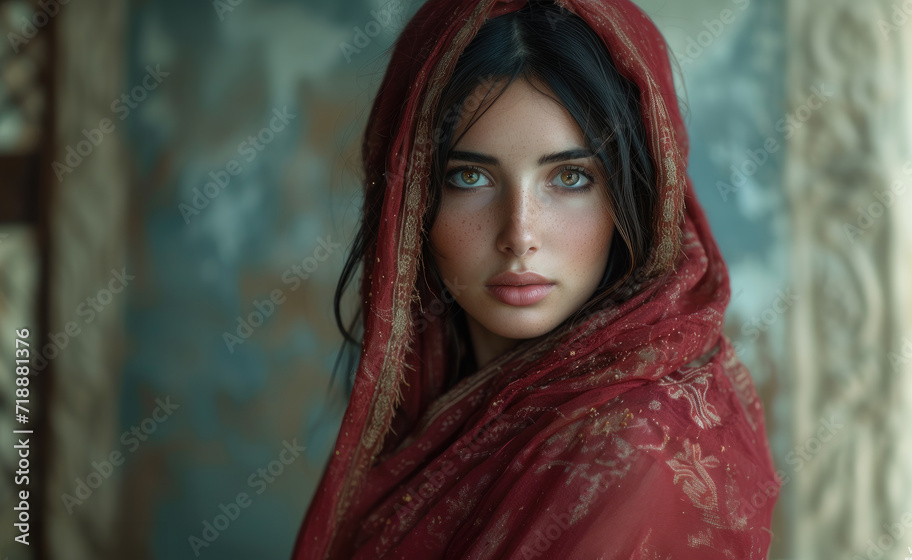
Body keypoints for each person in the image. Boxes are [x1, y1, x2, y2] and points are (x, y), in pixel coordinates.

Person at [294, 0, 779, 558]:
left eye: (570, 177)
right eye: (469, 176)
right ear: (407, 203)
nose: (519, 234)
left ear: (639, 199)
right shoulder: (435, 408)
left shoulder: (639, 450)